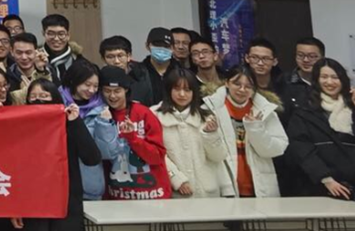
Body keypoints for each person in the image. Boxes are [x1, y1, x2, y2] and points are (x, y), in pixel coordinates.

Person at [286, 59, 355, 203]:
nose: (330, 82)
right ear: (316, 80)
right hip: (329, 187)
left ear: (343, 80)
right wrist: (325, 178)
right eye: (324, 77)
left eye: (335, 77)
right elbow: (302, 149)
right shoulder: (304, 112)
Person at [11, 78, 101, 231]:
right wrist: (15, 207)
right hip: (32, 205)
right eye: (33, 97)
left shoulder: (68, 123)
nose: (38, 100)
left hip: (66, 204)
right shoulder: (21, 128)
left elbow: (92, 158)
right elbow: (15, 170)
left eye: (44, 96)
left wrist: (75, 122)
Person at [204, 64, 288, 198]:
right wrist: (210, 134)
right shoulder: (209, 109)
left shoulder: (265, 111)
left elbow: (277, 149)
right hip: (224, 183)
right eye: (237, 84)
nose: (242, 90)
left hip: (260, 186)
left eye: (248, 86)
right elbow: (211, 154)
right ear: (226, 83)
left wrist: (256, 128)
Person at [153, 67, 232, 199]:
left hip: (207, 192)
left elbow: (219, 157)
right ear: (168, 90)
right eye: (177, 89)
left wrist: (211, 135)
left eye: (187, 90)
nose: (182, 94)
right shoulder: (154, 115)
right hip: (174, 192)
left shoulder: (206, 116)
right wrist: (176, 179)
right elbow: (156, 153)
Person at [97, 65, 171, 200]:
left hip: (154, 195)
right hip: (117, 196)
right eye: (107, 91)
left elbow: (157, 157)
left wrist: (133, 138)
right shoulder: (100, 117)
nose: (112, 96)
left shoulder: (144, 113)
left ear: (126, 90)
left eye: (117, 91)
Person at [61, 60, 118, 201]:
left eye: (95, 86)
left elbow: (108, 153)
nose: (91, 90)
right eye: (87, 84)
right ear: (74, 80)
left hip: (89, 185)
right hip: (59, 184)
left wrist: (105, 124)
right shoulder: (57, 104)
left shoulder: (102, 110)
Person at [99, 36, 158, 107]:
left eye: (120, 56)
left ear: (129, 56)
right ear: (103, 59)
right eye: (110, 57)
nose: (116, 61)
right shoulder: (100, 78)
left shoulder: (142, 74)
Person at [7, 32, 51, 104]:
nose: (24, 57)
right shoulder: (6, 76)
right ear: (11, 52)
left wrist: (41, 70)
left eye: (28, 52)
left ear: (36, 51)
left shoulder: (48, 71)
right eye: (19, 53)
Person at [41, 14, 83, 83]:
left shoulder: (79, 62)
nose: (56, 39)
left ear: (68, 35)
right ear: (43, 34)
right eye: (51, 34)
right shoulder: (34, 59)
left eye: (61, 34)